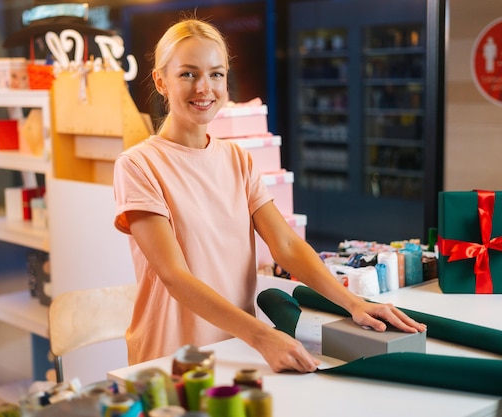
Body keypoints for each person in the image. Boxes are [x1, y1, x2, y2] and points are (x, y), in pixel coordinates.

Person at [113, 18, 426, 372]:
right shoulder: (138, 165)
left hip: (238, 349)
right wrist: (262, 335)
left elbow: (286, 246)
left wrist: (353, 303)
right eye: (187, 74)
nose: (204, 87)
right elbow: (174, 275)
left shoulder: (237, 159)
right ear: (161, 81)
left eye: (216, 74)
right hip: (172, 359)